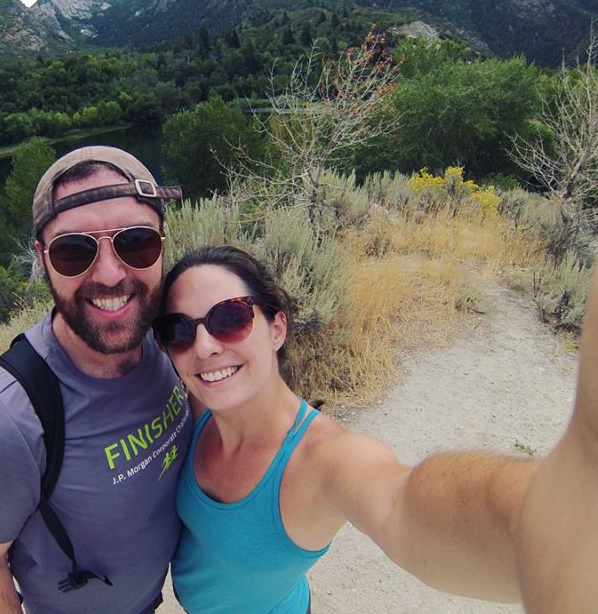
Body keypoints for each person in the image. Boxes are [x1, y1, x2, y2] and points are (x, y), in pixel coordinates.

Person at [153, 244, 598, 614]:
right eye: (179, 330)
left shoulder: (325, 460)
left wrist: (553, 522)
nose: (205, 346)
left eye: (230, 318)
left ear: (277, 328)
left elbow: (401, 506)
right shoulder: (198, 405)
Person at [0, 146, 192, 614]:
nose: (111, 274)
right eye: (74, 251)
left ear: (163, 240)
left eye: (135, 242)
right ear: (42, 257)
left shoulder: (173, 337)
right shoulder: (1, 425)